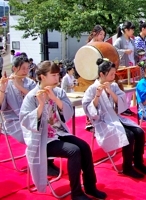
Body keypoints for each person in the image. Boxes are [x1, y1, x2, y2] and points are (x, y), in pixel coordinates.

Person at [20, 61, 107, 200]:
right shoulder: (32, 96)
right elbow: (25, 121)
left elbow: (68, 113)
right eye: (53, 75)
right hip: (42, 139)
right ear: (42, 77)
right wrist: (41, 105)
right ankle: (76, 193)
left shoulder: (59, 92)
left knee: (84, 147)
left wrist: (55, 99)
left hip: (58, 132)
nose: (57, 79)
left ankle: (90, 186)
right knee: (73, 151)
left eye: (57, 75)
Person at [82, 58, 146, 179]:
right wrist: (97, 95)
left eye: (114, 73)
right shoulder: (92, 89)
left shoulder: (113, 86)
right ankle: (127, 167)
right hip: (101, 121)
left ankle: (138, 162)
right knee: (128, 135)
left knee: (139, 131)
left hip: (114, 118)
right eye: (111, 74)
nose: (114, 76)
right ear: (102, 74)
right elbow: (89, 110)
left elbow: (122, 99)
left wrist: (110, 92)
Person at [113, 21, 137, 116]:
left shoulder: (131, 41)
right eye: (131, 29)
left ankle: (127, 106)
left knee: (131, 88)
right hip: (124, 68)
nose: (133, 31)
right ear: (126, 30)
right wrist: (124, 51)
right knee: (124, 88)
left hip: (132, 66)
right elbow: (114, 50)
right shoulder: (119, 40)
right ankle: (122, 107)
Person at [85, 25, 106, 130]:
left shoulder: (102, 44)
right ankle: (89, 119)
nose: (102, 36)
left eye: (103, 34)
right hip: (91, 72)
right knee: (91, 96)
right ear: (95, 33)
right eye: (100, 34)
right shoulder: (89, 45)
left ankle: (100, 116)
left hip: (99, 72)